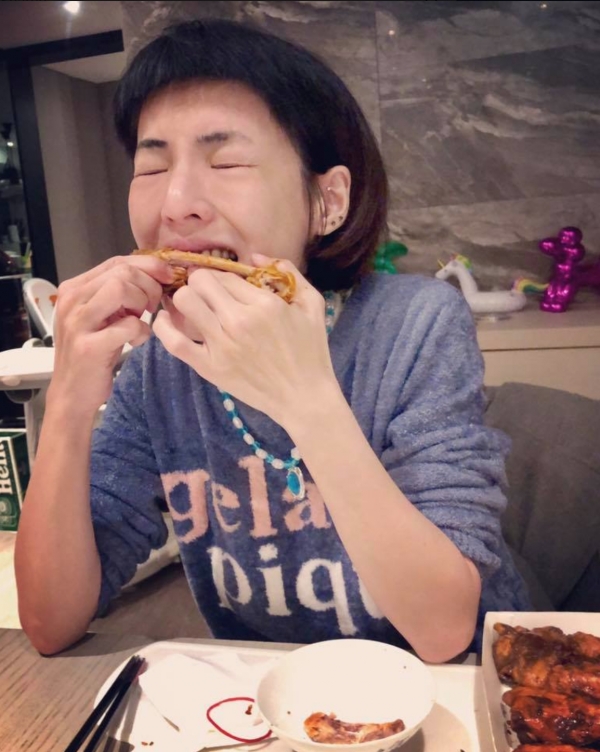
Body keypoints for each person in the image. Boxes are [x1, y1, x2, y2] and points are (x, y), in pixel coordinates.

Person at [15, 18, 530, 662]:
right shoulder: (159, 365)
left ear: (327, 200)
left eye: (226, 161)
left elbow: (444, 630)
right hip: (268, 695)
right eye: (152, 166)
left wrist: (305, 399)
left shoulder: (416, 324)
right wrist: (67, 402)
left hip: (465, 683)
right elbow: (50, 622)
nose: (175, 203)